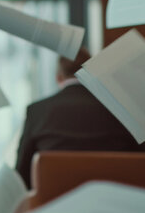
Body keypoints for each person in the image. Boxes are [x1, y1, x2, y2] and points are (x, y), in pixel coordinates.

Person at [15, 48, 145, 189]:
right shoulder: (123, 108)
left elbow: (21, 175)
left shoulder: (37, 111)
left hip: (55, 203)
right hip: (115, 201)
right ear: (92, 73)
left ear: (58, 77)